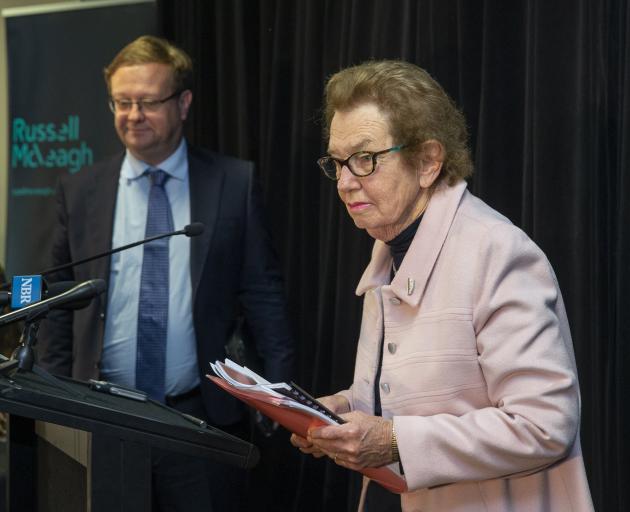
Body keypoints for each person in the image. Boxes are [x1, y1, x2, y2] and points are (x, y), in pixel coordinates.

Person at [291, 60, 593, 511]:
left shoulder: (496, 251)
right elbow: (411, 392)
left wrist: (393, 440)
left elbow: (543, 424)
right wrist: (339, 410)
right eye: (337, 163)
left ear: (429, 161)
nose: (346, 183)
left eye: (365, 159)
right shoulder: (389, 250)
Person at [37, 35, 294, 512]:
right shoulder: (81, 191)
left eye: (148, 102)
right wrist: (56, 401)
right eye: (122, 101)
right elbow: (57, 303)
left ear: (183, 103)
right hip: (102, 419)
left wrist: (277, 395)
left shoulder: (232, 184)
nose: (133, 115)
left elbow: (264, 296)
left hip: (199, 419)